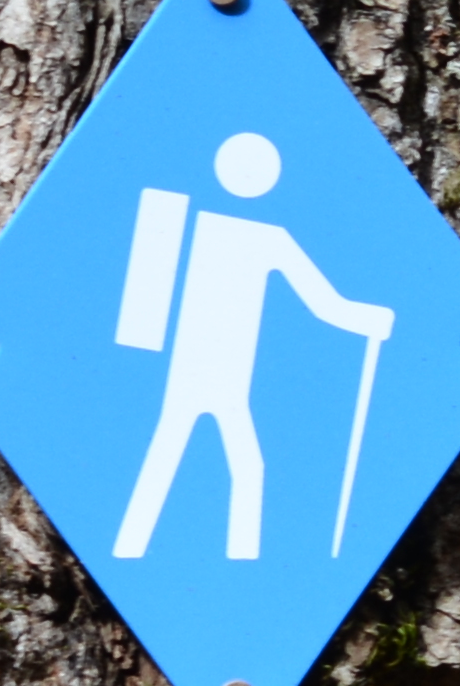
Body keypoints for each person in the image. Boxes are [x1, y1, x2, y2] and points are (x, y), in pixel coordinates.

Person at [112, 131, 392, 564]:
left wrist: (367, 319)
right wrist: (370, 321)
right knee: (233, 465)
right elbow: (324, 304)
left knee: (187, 458)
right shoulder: (261, 238)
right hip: (209, 372)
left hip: (211, 374)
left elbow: (323, 303)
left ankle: (138, 549)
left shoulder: (216, 228)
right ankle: (223, 561)